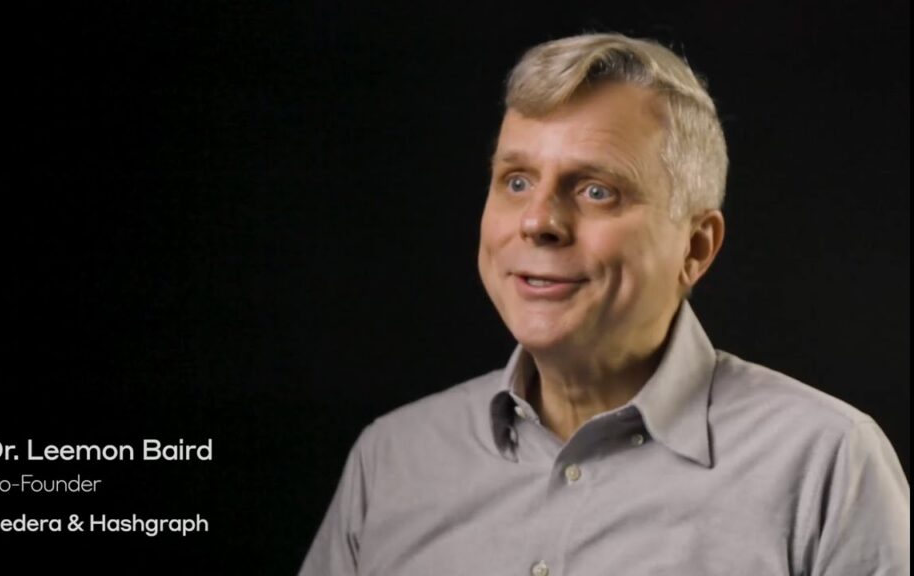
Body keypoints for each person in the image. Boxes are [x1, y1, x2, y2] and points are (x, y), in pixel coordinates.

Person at [298, 33, 909, 576]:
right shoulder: (391, 459)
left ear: (696, 247)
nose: (538, 221)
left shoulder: (826, 464)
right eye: (516, 181)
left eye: (596, 190)